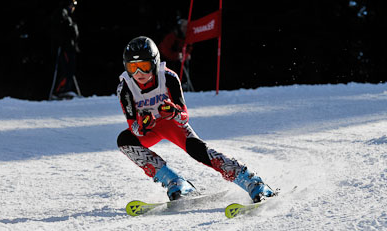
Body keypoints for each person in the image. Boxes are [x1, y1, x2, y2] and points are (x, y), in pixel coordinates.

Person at [116, 36, 275, 202]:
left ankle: (252, 181)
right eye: (132, 67)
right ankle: (174, 182)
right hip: (151, 129)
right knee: (124, 140)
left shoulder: (168, 77)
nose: (138, 73)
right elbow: (133, 125)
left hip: (172, 124)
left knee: (199, 151)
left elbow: (183, 117)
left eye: (144, 66)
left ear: (155, 63)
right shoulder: (125, 87)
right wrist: (143, 125)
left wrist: (173, 111)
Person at [49, 0, 81, 100]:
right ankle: (61, 90)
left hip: (70, 47)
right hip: (65, 47)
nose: (73, 8)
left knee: (70, 69)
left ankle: (66, 89)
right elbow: (61, 29)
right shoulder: (62, 13)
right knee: (66, 69)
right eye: (71, 5)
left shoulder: (70, 16)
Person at [159, 19, 193, 90]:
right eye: (184, 27)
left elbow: (189, 48)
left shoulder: (187, 36)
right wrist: (176, 56)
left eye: (187, 27)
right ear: (180, 27)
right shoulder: (171, 36)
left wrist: (186, 55)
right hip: (166, 61)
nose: (186, 29)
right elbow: (164, 51)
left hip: (179, 61)